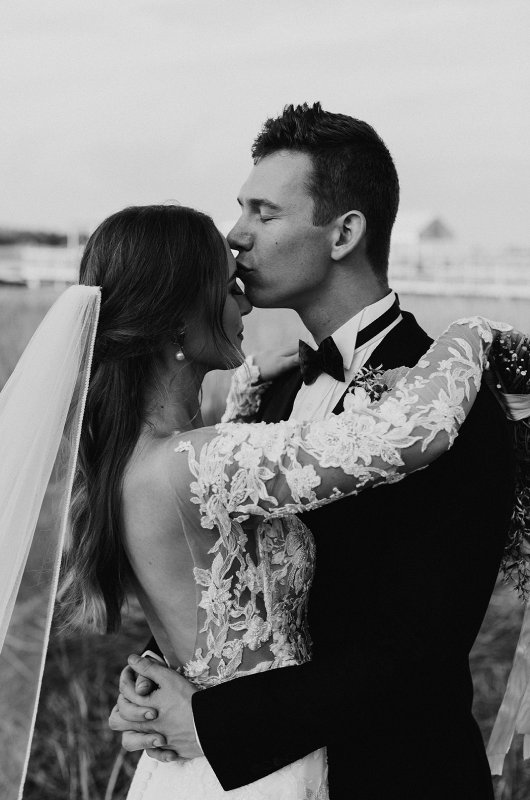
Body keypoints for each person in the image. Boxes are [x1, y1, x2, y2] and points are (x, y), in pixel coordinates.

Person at [110, 104, 518, 799]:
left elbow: (418, 651)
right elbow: (241, 587)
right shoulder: (269, 392)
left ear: (344, 233)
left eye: (263, 214)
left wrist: (211, 721)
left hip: (394, 777)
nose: (234, 238)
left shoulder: (448, 397)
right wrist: (169, 670)